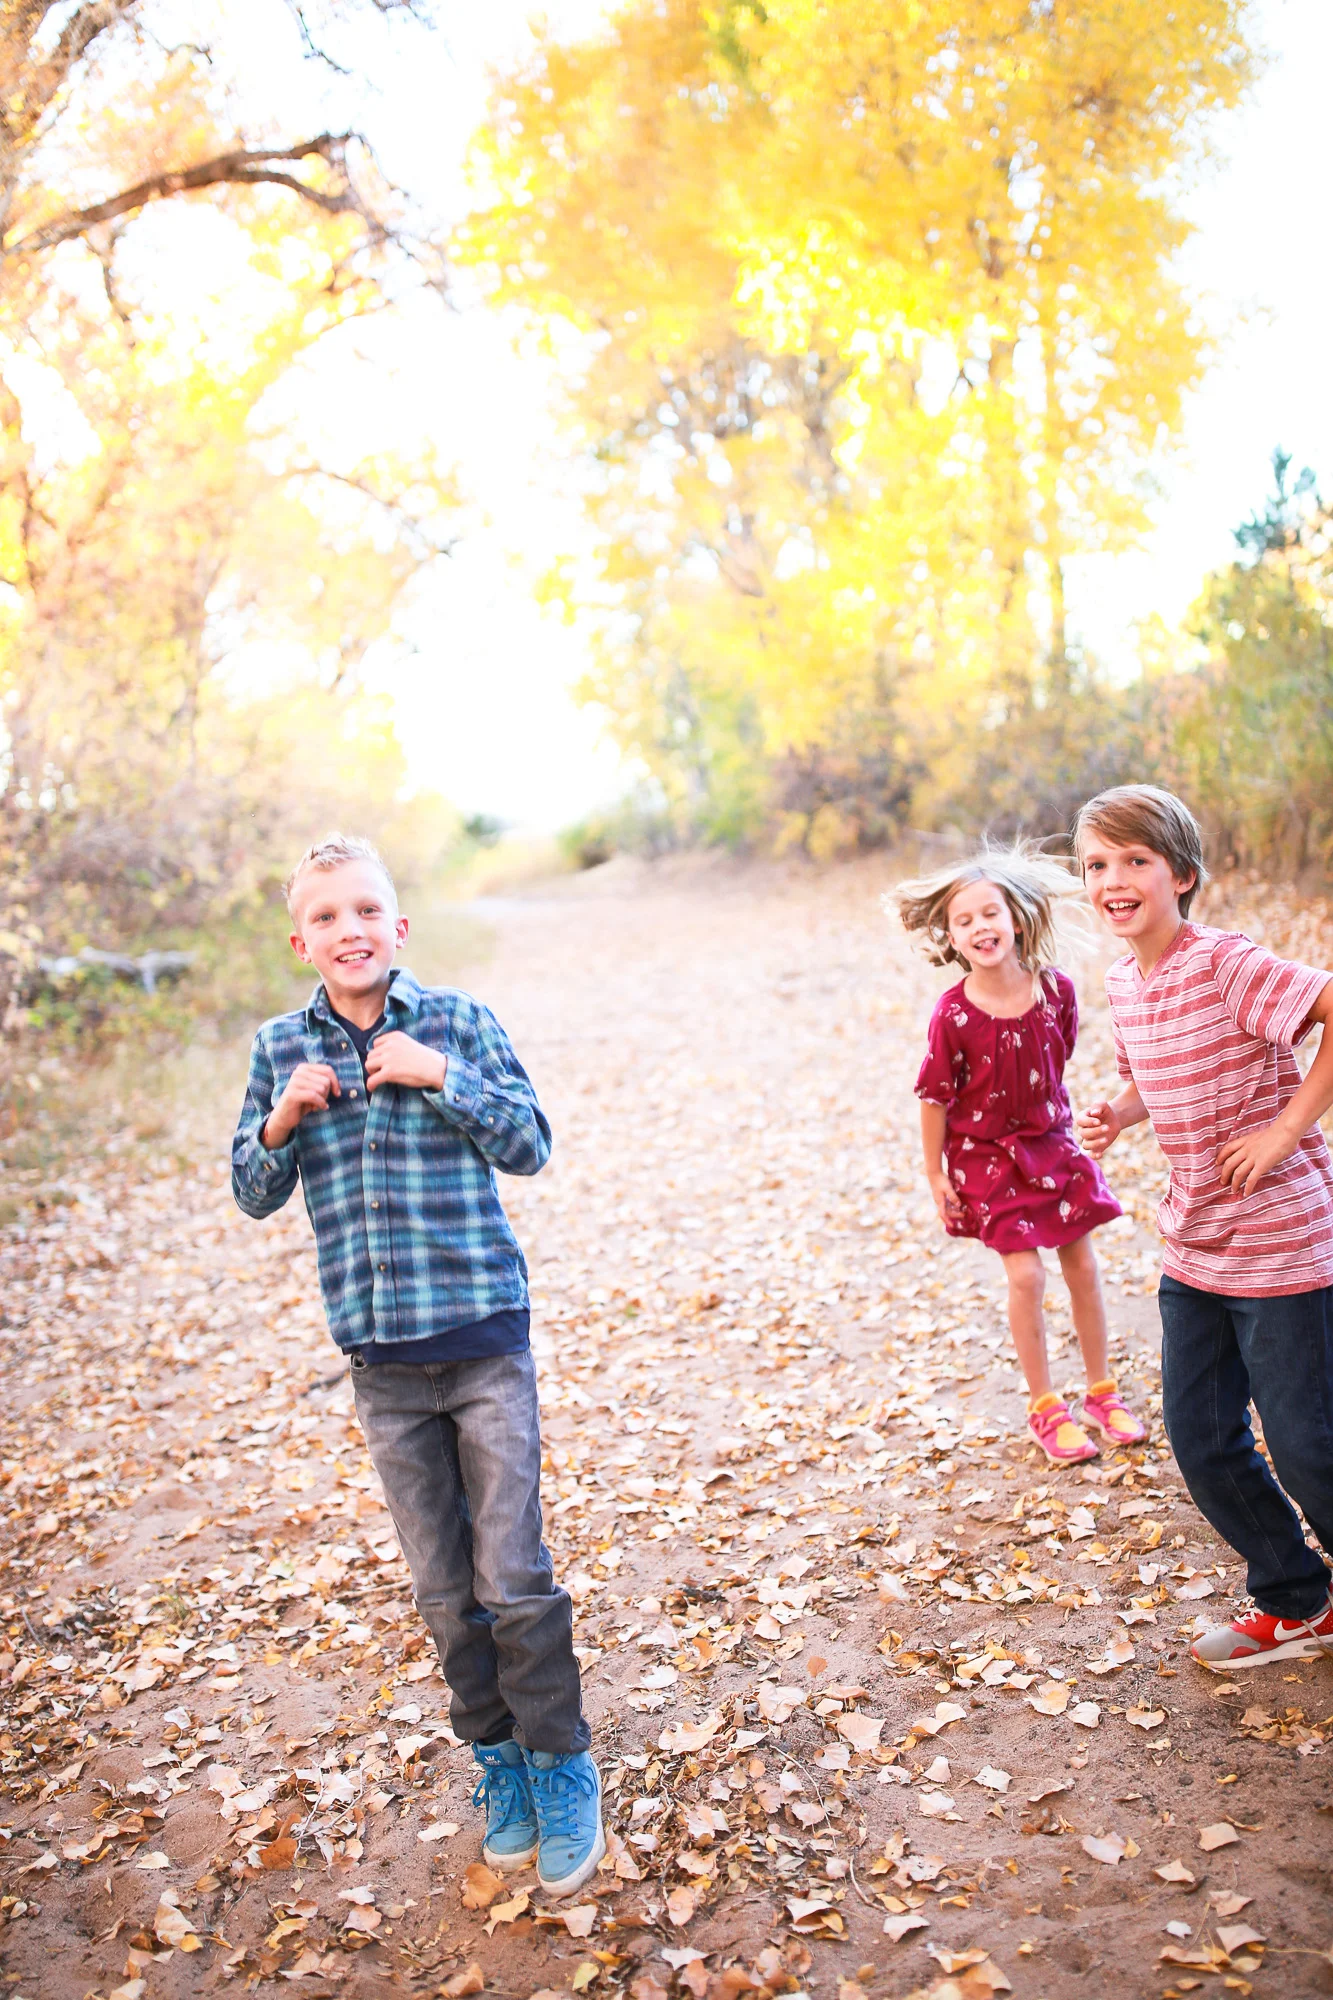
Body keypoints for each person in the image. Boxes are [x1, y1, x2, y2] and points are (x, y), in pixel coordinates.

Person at [231, 832, 605, 1892]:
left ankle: (561, 1762)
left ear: (397, 927)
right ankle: (501, 1763)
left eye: (366, 911)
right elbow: (252, 1188)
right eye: (326, 916)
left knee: (512, 1574)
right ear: (300, 941)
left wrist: (441, 1076)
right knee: (445, 1591)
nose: (348, 929)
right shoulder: (279, 1047)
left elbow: (529, 1142)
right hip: (382, 1365)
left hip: (483, 1340)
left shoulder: (457, 1022)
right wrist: (282, 1115)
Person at [1076, 784, 1333, 1671]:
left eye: (1134, 860)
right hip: (1193, 1244)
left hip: (1282, 1242)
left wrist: (1283, 1131)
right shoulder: (1122, 980)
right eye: (1096, 864)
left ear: (1180, 874)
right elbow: (1152, 1075)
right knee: (1201, 1439)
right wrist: (1117, 1114)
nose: (1113, 880)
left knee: (1306, 1446)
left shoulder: (1224, 962)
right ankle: (1298, 1602)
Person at [895, 844, 1145, 1465]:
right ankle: (1044, 1405)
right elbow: (934, 1097)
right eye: (964, 921)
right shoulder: (953, 1014)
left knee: (1081, 1264)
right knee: (1027, 1275)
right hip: (984, 1156)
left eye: (990, 914)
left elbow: (1057, 1058)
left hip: (1051, 1142)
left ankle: (1101, 1392)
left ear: (1016, 919)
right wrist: (934, 1173)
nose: (980, 927)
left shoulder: (1056, 990)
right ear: (951, 937)